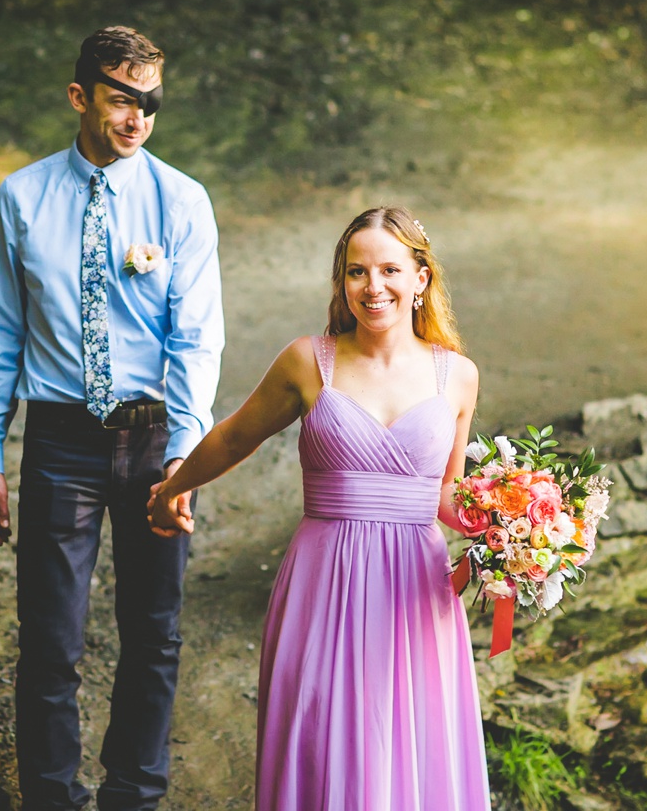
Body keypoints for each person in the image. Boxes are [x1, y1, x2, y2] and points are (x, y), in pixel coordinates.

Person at [148, 206, 491, 810]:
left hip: (415, 589)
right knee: (323, 738)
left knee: (406, 739)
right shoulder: (310, 361)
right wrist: (174, 486)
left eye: (389, 270)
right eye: (357, 272)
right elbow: (234, 437)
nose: (373, 287)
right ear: (342, 283)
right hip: (324, 578)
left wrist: (516, 530)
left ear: (421, 280)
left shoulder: (457, 377)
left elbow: (445, 492)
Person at [0, 26, 225, 811]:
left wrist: (185, 458)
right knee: (50, 641)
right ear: (81, 96)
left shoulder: (181, 201)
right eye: (122, 99)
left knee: (155, 632)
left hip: (156, 440)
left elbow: (196, 337)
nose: (137, 118)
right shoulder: (21, 198)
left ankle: (133, 795)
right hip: (59, 442)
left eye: (150, 103)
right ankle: (51, 797)